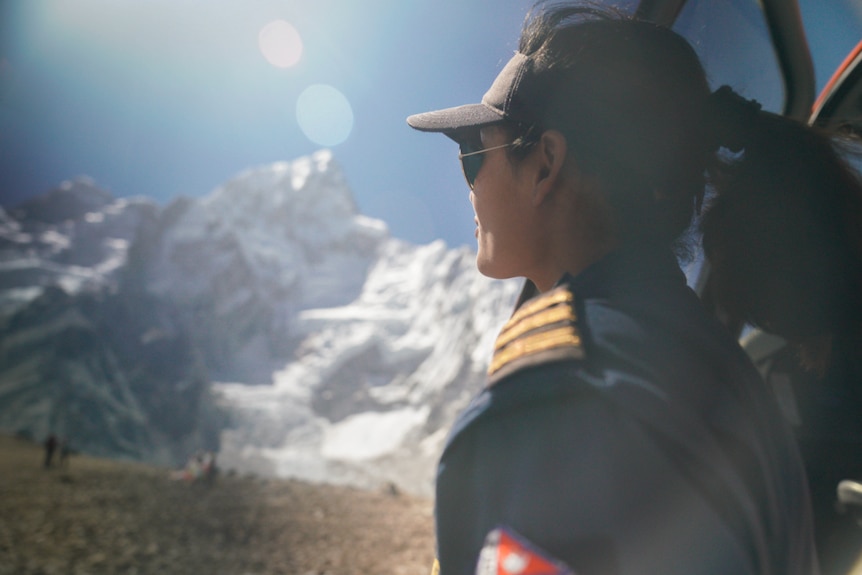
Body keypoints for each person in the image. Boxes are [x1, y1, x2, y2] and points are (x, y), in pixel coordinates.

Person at [406, 3, 833, 574]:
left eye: (471, 155)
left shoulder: (549, 411)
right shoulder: (733, 383)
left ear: (544, 164)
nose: (470, 187)